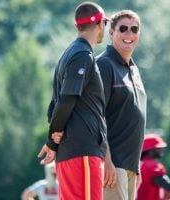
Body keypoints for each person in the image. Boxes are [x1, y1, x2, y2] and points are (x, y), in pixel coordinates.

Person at [37, 2, 111, 200]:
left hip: (74, 150)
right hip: (83, 151)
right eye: (104, 22)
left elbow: (55, 105)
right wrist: (52, 141)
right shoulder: (82, 55)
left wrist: (53, 139)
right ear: (99, 24)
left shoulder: (69, 54)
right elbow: (66, 100)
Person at [96, 10, 147, 200]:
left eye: (134, 29)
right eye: (123, 29)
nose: (129, 34)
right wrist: (106, 160)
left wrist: (137, 165)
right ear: (111, 33)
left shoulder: (134, 69)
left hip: (130, 165)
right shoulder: (103, 65)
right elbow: (97, 116)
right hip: (113, 165)